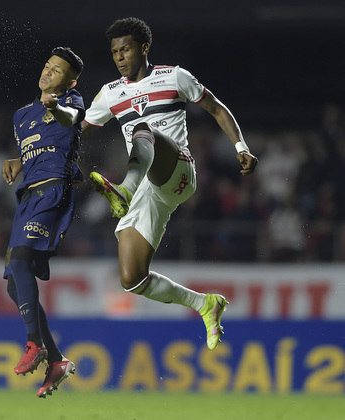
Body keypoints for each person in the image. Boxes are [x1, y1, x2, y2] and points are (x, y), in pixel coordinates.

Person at [83, 18, 258, 350]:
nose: (120, 56)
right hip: (149, 190)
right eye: (115, 51)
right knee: (131, 279)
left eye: (126, 49)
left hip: (178, 170)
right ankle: (204, 304)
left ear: (144, 47)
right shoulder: (110, 93)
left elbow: (216, 108)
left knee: (142, 130)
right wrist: (32, 154)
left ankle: (124, 189)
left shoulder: (174, 76)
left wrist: (241, 147)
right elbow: (81, 129)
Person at [2, 47, 85, 397]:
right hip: (26, 198)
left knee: (20, 261)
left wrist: (58, 107)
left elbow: (70, 120)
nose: (48, 73)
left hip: (53, 193)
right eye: (47, 67)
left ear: (70, 81)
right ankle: (56, 360)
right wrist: (17, 161)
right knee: (12, 284)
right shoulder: (22, 115)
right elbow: (36, 147)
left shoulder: (72, 101)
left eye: (57, 71)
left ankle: (34, 343)